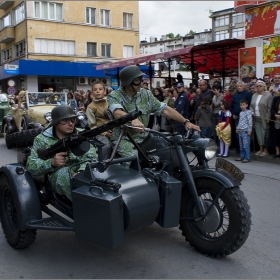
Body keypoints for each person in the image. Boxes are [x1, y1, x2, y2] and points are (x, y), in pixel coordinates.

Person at [107, 65, 200, 162]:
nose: (141, 83)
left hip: (144, 137)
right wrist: (133, 119)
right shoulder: (115, 95)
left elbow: (165, 109)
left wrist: (186, 122)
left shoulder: (146, 94)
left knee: (169, 150)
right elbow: (117, 112)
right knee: (133, 159)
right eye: (137, 80)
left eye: (141, 79)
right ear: (127, 82)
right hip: (124, 139)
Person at [26, 105, 97, 201]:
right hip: (58, 175)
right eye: (65, 121)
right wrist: (52, 163)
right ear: (55, 123)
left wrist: (81, 172)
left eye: (73, 119)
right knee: (63, 174)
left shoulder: (81, 135)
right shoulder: (42, 139)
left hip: (82, 171)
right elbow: (31, 166)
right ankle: (84, 206)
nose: (70, 123)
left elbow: (91, 157)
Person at [86, 81, 112, 160]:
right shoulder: (90, 107)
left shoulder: (110, 102)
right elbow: (92, 126)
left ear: (104, 91)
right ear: (92, 93)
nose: (98, 91)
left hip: (114, 130)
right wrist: (105, 133)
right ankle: (102, 165)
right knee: (106, 146)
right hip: (99, 133)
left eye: (100, 89)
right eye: (95, 89)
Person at [250, 80, 272, 157]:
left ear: (264, 87)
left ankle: (266, 150)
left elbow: (269, 108)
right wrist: (252, 112)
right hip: (256, 117)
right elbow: (251, 106)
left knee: (265, 134)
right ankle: (261, 149)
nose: (258, 88)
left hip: (264, 117)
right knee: (258, 134)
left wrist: (268, 117)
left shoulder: (268, 95)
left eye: (260, 86)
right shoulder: (254, 95)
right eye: (257, 86)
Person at [230, 81, 252, 153]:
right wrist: (233, 114)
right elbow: (232, 106)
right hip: (236, 117)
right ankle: (239, 148)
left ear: (244, 87)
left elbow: (249, 105)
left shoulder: (248, 94)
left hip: (245, 117)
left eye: (240, 86)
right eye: (238, 86)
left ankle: (246, 150)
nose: (239, 87)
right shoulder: (235, 95)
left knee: (245, 135)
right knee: (238, 134)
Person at [270, 88, 280, 159]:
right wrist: (275, 115)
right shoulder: (276, 99)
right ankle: (277, 152)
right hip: (277, 120)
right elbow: (272, 109)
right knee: (276, 136)